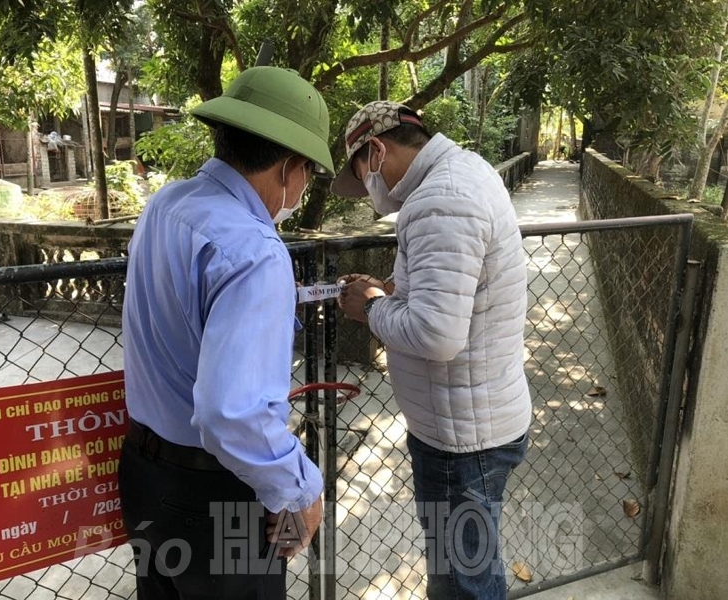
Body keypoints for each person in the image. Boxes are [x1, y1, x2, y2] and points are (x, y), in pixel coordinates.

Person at [118, 66, 334, 600]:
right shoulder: (255, 251)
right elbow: (231, 414)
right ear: (291, 167)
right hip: (215, 496)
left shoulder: (166, 204)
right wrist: (302, 490)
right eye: (309, 173)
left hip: (144, 476)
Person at [332, 100, 532, 599]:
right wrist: (390, 290)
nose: (368, 192)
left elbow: (436, 335)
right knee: (468, 567)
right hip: (476, 422)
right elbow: (456, 292)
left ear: (376, 150)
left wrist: (370, 308)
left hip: (461, 440)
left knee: (464, 582)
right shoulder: (464, 173)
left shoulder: (439, 200)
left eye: (362, 176)